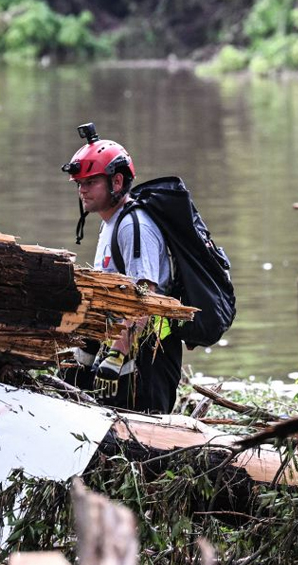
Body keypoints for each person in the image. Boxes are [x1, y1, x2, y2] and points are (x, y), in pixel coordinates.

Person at [60, 124, 180, 413]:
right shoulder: (110, 222)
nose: (82, 190)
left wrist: (118, 352)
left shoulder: (133, 226)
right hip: (124, 351)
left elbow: (145, 295)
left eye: (90, 182)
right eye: (79, 183)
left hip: (149, 354)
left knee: (147, 442)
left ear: (116, 182)